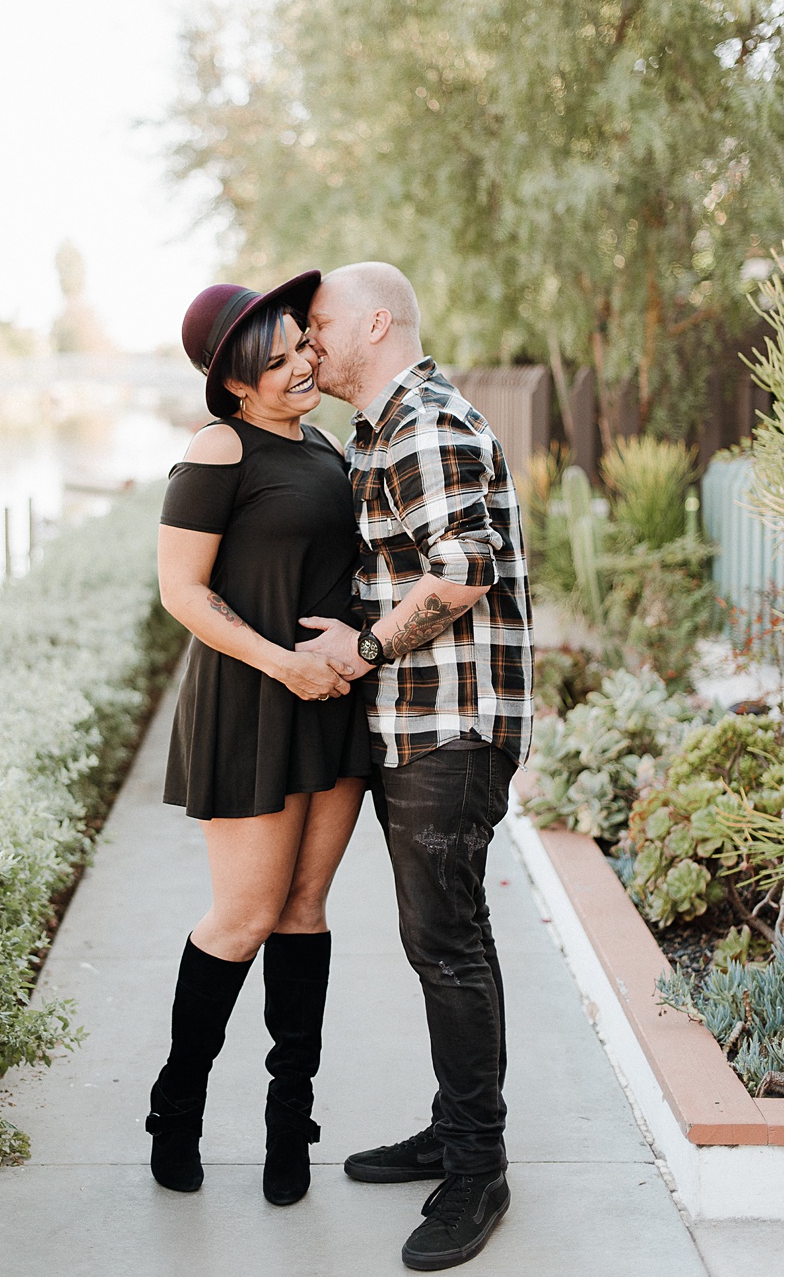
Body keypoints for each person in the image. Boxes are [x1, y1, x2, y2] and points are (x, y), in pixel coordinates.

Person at [300, 261, 534, 1272]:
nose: (309, 344)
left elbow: (462, 568)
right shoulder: (379, 431)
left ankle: (477, 1168)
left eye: (320, 326)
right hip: (415, 727)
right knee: (441, 939)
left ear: (377, 321)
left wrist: (363, 649)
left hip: (450, 730)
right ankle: (455, 1128)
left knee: (447, 946)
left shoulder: (426, 424)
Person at [146, 270, 371, 1207]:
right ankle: (177, 1104)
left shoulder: (322, 447)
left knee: (305, 910)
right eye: (273, 363)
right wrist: (284, 665)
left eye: (298, 345)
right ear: (233, 383)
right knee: (242, 917)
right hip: (252, 704)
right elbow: (182, 593)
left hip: (333, 706)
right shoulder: (217, 448)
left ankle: (291, 1120)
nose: (298, 367)